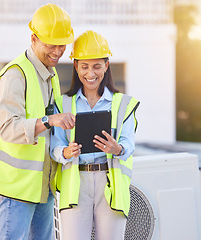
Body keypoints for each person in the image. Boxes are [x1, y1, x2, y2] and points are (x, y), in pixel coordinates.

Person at [0, 4, 75, 240]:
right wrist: (49, 120)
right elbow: (8, 129)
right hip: (16, 188)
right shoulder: (15, 74)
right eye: (50, 44)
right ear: (33, 39)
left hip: (42, 184)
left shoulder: (49, 74)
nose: (57, 51)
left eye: (62, 44)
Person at [50, 30, 140, 240]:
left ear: (106, 66)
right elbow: (54, 148)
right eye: (85, 66)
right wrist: (66, 151)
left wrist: (117, 148)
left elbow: (128, 143)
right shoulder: (63, 104)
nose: (90, 73)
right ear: (76, 66)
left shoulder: (124, 104)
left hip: (109, 185)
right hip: (76, 185)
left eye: (97, 66)